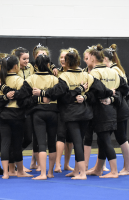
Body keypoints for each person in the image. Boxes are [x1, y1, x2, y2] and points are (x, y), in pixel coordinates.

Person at [33, 48, 115, 180]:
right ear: (77, 62)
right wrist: (110, 93)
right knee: (79, 140)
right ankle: (77, 171)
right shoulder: (86, 75)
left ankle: (82, 173)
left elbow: (57, 92)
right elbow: (100, 89)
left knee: (77, 141)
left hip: (71, 114)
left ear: (67, 62)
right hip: (85, 112)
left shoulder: (64, 76)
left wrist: (42, 93)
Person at [5, 54, 59, 180]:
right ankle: (50, 172)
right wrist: (47, 95)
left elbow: (21, 97)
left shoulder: (31, 79)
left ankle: (43, 174)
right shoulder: (55, 79)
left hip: (38, 113)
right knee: (52, 142)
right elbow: (62, 92)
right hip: (53, 112)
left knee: (41, 143)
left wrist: (5, 89)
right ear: (48, 65)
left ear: (35, 66)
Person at [83, 44, 128, 178]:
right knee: (103, 141)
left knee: (105, 140)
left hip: (100, 109)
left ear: (92, 58)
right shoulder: (114, 71)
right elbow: (125, 88)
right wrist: (113, 95)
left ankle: (114, 171)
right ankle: (98, 169)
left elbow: (96, 90)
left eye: (88, 57)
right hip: (111, 109)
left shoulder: (95, 73)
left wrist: (86, 94)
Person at [102, 44, 129, 175]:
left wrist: (113, 94)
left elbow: (125, 90)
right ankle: (102, 165)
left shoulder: (115, 71)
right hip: (115, 107)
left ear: (105, 59)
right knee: (104, 137)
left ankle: (128, 167)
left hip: (119, 108)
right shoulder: (114, 69)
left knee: (121, 137)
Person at [54, 49, 75, 173]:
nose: (62, 60)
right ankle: (57, 164)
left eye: (65, 58)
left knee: (70, 138)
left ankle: (66, 164)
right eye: (61, 57)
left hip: (72, 108)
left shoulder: (76, 72)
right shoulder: (56, 73)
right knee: (60, 135)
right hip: (60, 108)